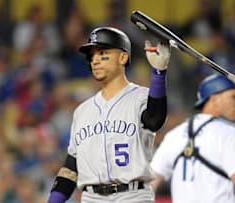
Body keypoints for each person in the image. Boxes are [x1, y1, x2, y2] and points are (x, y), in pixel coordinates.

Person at [48, 26, 171, 203]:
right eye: (92, 56)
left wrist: (159, 73)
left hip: (133, 196)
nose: (95, 61)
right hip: (92, 198)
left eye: (103, 53)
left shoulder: (141, 97)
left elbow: (154, 119)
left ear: (123, 57)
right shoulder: (82, 112)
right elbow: (71, 167)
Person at [151, 74, 235, 203]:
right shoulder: (228, 132)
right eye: (233, 97)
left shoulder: (175, 134)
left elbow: (151, 182)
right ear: (214, 99)